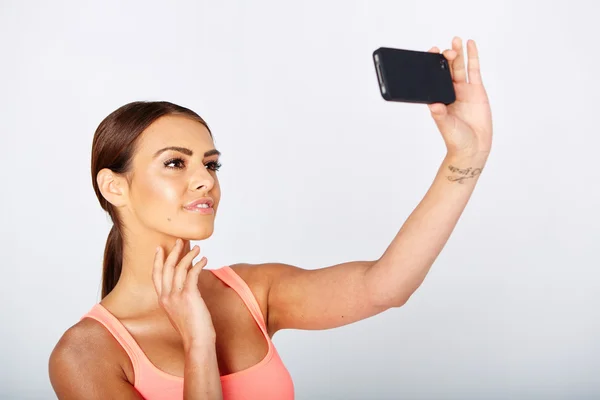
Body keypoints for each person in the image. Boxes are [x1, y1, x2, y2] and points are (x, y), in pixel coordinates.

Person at [48, 36, 492, 400]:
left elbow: (386, 287)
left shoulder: (251, 291)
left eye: (211, 164)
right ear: (114, 187)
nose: (205, 180)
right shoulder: (86, 354)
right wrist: (198, 341)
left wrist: (466, 156)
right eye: (175, 163)